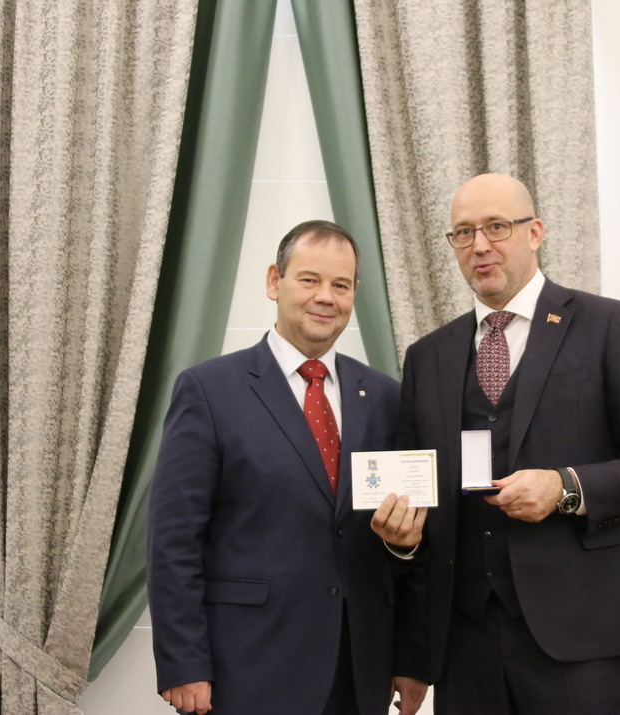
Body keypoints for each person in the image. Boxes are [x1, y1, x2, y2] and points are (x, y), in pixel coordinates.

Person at [379, 174, 620, 714]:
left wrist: (565, 487)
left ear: (535, 233)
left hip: (578, 636)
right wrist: (411, 646)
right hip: (463, 644)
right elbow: (420, 508)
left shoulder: (607, 325)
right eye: (463, 233)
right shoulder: (427, 356)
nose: (480, 245)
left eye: (497, 227)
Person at [147, 220, 426, 715]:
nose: (326, 297)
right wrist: (183, 662)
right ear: (275, 281)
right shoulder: (209, 391)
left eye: (341, 285)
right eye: (309, 280)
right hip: (249, 667)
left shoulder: (386, 396)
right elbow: (174, 539)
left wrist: (410, 653)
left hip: (360, 669)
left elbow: (401, 544)